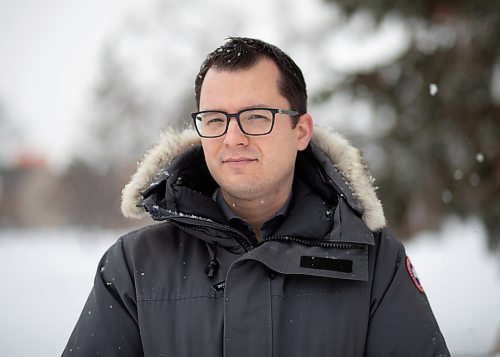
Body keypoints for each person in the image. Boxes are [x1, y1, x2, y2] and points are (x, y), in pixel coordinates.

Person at [62, 37, 450, 356]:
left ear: (301, 131)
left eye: (256, 116)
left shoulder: (374, 259)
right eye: (215, 119)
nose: (233, 138)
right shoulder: (133, 265)